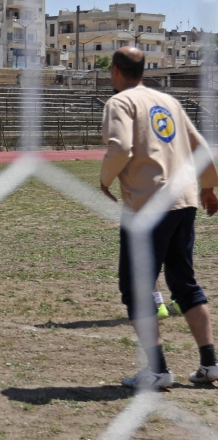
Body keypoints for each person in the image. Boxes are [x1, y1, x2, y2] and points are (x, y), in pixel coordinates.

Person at [100, 47, 218, 390]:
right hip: (184, 201)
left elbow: (120, 148)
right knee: (184, 283)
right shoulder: (169, 102)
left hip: (148, 207)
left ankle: (157, 370)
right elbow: (201, 148)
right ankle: (210, 364)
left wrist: (105, 179)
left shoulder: (120, 102)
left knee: (137, 290)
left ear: (117, 71)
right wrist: (209, 188)